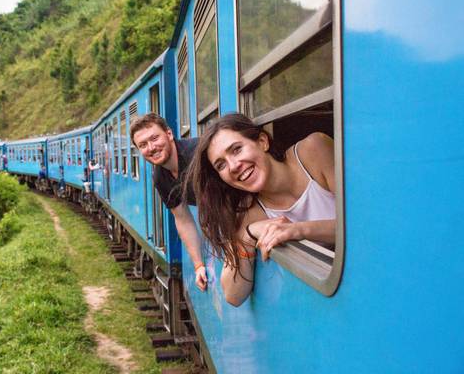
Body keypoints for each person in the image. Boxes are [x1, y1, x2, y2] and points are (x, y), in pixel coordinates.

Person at [184, 113, 335, 306]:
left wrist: (298, 230)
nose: (233, 166)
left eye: (237, 149)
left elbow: (364, 226)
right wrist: (247, 237)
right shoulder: (250, 211)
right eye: (221, 165)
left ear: (262, 141)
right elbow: (233, 295)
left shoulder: (313, 150)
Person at [130, 113, 208, 291]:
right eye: (143, 145)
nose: (151, 147)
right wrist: (198, 265)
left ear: (170, 134)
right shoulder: (160, 177)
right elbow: (182, 219)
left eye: (155, 138)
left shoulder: (197, 154)